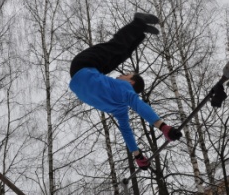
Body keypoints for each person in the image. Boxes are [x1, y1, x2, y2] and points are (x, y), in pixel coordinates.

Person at [69, 13, 183, 170]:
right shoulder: (120, 108)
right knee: (119, 56)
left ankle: (139, 22)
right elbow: (126, 131)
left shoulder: (124, 89)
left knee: (116, 46)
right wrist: (137, 155)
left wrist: (163, 127)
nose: (120, 75)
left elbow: (139, 106)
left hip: (84, 63)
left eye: (126, 75)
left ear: (131, 82)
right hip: (83, 73)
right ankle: (140, 33)